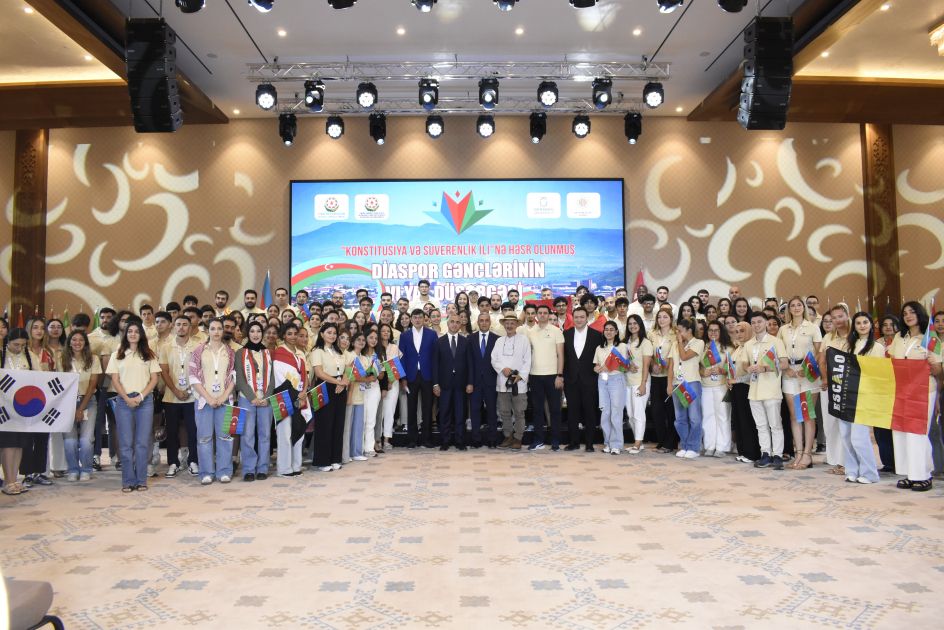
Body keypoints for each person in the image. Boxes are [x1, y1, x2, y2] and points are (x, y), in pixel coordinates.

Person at [890, 302, 941, 492]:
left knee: (917, 433)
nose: (908, 316)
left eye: (912, 312)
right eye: (905, 313)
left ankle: (923, 475)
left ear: (920, 314)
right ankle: (909, 473)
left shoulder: (930, 338)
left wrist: (933, 363)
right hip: (901, 390)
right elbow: (891, 361)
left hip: (923, 390)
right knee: (901, 431)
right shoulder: (899, 337)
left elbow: (938, 370)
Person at [107, 321, 161, 492]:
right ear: (125, 334)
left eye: (136, 331)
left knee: (142, 443)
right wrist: (126, 398)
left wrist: (141, 396)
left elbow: (154, 379)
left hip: (145, 401)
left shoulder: (149, 354)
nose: (132, 334)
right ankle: (128, 481)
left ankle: (141, 480)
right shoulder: (117, 354)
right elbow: (115, 380)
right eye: (130, 331)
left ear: (141, 335)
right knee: (125, 443)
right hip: (124, 402)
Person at [188, 319, 237, 485]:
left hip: (224, 400)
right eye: (213, 328)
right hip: (204, 401)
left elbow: (234, 377)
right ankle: (206, 472)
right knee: (204, 438)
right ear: (207, 331)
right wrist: (208, 398)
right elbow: (193, 377)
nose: (216, 332)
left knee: (225, 437)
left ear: (223, 331)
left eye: (219, 329)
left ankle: (224, 471)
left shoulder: (230, 352)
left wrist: (223, 397)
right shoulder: (199, 351)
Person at [740, 312, 788, 470]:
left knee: (775, 425)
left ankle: (778, 455)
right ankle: (765, 454)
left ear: (766, 323)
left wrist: (765, 368)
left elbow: (784, 364)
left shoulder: (776, 341)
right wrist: (748, 368)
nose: (756, 325)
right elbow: (744, 364)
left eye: (759, 321)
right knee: (761, 425)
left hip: (771, 390)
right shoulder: (748, 344)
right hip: (754, 391)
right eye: (753, 322)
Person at [779, 296, 823, 470]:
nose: (796, 308)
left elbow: (819, 352)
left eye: (799, 305)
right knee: (794, 415)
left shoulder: (812, 327)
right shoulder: (783, 329)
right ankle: (798, 453)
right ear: (788, 309)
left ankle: (807, 454)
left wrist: (807, 369)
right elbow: (780, 352)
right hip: (789, 373)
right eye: (793, 305)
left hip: (808, 374)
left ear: (804, 307)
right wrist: (786, 369)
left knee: (808, 415)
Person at [841, 312, 883, 484]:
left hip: (864, 395)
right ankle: (852, 470)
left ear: (871, 325)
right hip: (847, 394)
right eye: (858, 323)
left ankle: (870, 473)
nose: (862, 325)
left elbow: (878, 373)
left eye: (865, 322)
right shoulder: (848, 345)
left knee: (859, 437)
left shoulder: (877, 347)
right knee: (846, 435)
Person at [160, 315, 199, 477]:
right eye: (178, 324)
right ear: (173, 327)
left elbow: (200, 370)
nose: (181, 327)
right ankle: (173, 463)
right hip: (171, 397)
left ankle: (193, 461)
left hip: (192, 396)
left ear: (190, 327)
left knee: (193, 430)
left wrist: (188, 390)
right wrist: (176, 391)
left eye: (185, 324)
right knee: (172, 431)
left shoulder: (198, 346)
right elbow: (164, 371)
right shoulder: (166, 347)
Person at [234, 321, 274, 481]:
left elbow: (273, 378)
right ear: (247, 333)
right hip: (247, 399)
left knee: (265, 435)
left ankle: (263, 468)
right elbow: (239, 379)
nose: (256, 334)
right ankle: (249, 469)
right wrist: (253, 398)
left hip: (265, 400)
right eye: (252, 331)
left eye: (259, 331)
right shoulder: (240, 353)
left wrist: (267, 397)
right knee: (247, 435)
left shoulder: (268, 352)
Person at [62, 331, 102, 481]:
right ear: (69, 342)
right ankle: (73, 469)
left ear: (85, 343)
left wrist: (80, 408)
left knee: (86, 439)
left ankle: (86, 469)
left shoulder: (93, 359)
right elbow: (60, 383)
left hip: (88, 401)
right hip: (67, 403)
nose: (77, 343)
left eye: (81, 340)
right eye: (74, 340)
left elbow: (93, 385)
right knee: (70, 440)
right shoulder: (62, 359)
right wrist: (72, 407)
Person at [272, 323, 310, 476]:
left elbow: (305, 377)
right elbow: (279, 379)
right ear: (283, 336)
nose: (293, 336)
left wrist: (304, 392)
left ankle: (296, 466)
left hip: (300, 397)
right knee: (285, 434)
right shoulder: (278, 353)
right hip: (284, 398)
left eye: (295, 333)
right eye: (289, 334)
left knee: (298, 431)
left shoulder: (300, 355)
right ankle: (284, 469)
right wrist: (297, 394)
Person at [563, 307, 603, 451]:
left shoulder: (597, 335)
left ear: (587, 318)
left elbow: (601, 355)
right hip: (571, 379)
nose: (579, 319)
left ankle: (589, 443)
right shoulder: (566, 334)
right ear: (572, 318)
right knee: (572, 412)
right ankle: (573, 442)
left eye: (582, 317)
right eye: (576, 317)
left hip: (590, 379)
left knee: (590, 412)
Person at [526, 305, 565, 451]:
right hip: (535, 376)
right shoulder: (530, 332)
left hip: (553, 376)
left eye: (545, 313)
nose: (542, 315)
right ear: (536, 315)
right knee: (537, 410)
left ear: (549, 315)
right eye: (540, 313)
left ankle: (555, 440)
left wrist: (559, 375)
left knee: (555, 410)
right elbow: (527, 354)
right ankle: (538, 440)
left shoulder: (556, 331)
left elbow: (561, 355)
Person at [311, 324, 349, 472]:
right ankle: (322, 461)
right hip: (324, 387)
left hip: (340, 388)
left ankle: (335, 458)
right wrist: (338, 382)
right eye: (329, 332)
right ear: (322, 334)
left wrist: (343, 382)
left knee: (338, 424)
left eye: (334, 333)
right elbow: (319, 373)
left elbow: (347, 369)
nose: (332, 335)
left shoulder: (339, 351)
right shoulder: (317, 351)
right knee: (324, 424)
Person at [398, 309, 439, 448]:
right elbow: (401, 358)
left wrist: (435, 379)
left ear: (424, 319)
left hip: (427, 375)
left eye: (420, 317)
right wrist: (403, 378)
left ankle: (427, 439)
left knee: (427, 408)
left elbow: (435, 357)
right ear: (411, 319)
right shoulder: (404, 336)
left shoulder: (432, 334)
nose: (417, 320)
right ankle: (412, 439)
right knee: (411, 408)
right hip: (411, 376)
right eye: (415, 317)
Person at [818, 304, 851, 475]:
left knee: (846, 425)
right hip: (830, 385)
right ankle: (836, 461)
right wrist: (825, 378)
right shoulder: (828, 337)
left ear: (847, 315)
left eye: (840, 316)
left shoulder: (854, 336)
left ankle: (847, 462)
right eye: (833, 318)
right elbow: (822, 360)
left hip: (849, 386)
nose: (837, 320)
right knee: (830, 424)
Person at [1, 328, 32, 495]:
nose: (19, 348)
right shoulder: (2, 355)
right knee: (8, 443)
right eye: (16, 345)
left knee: (20, 444)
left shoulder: (30, 356)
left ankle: (14, 479)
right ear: (8, 342)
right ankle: (8, 481)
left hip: (23, 407)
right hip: (4, 407)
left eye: (23, 345)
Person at [493, 314, 531, 450]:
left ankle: (518, 438)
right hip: (502, 382)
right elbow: (494, 359)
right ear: (504, 325)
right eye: (507, 323)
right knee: (504, 412)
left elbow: (528, 360)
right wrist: (502, 369)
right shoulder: (499, 341)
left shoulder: (524, 340)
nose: (509, 326)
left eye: (512, 323)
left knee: (519, 412)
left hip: (519, 383)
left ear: (517, 325)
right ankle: (508, 436)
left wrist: (520, 376)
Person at [669, 319, 705, 459]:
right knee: (680, 418)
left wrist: (679, 342)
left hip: (691, 382)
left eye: (680, 331)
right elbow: (671, 365)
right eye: (677, 331)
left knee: (694, 417)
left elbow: (684, 357)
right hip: (677, 383)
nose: (678, 333)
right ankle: (684, 445)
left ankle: (694, 447)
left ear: (689, 330)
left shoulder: (698, 342)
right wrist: (669, 384)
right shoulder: (674, 344)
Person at [700, 320, 734, 458]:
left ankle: (722, 447)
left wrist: (722, 370)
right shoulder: (703, 347)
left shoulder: (728, 348)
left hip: (721, 385)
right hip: (705, 386)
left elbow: (732, 366)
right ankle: (709, 446)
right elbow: (696, 365)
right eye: (710, 330)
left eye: (716, 330)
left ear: (721, 332)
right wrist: (703, 372)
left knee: (723, 416)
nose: (713, 333)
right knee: (708, 416)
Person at [593, 321, 628, 454]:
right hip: (602, 380)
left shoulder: (622, 346)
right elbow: (596, 364)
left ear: (616, 332)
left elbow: (624, 365)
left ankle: (616, 444)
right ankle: (607, 442)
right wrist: (597, 368)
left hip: (616, 379)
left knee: (616, 413)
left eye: (611, 329)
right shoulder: (599, 348)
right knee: (605, 413)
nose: (608, 332)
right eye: (606, 329)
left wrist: (609, 367)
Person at [730, 322, 761, 463]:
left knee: (747, 420)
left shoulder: (752, 348)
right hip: (736, 387)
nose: (739, 334)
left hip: (747, 387)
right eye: (736, 331)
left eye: (742, 331)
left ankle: (752, 453)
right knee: (738, 420)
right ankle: (743, 451)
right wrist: (730, 380)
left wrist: (736, 380)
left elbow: (752, 371)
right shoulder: (738, 348)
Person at [468, 312, 500, 448]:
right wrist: (469, 382)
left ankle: (492, 439)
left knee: (492, 411)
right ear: (478, 322)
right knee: (475, 411)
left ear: (490, 322)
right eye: (481, 320)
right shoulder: (470, 338)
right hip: (475, 382)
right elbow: (469, 362)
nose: (484, 323)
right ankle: (476, 439)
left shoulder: (497, 339)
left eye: (487, 320)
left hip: (491, 381)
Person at [649, 309, 678, 453]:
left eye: (665, 317)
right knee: (657, 411)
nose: (661, 320)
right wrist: (653, 364)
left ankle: (670, 442)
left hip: (670, 376)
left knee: (671, 411)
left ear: (671, 319)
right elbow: (648, 353)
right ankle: (661, 440)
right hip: (655, 377)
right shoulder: (652, 334)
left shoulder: (676, 334)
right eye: (659, 317)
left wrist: (667, 363)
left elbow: (677, 354)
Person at [622, 314, 652, 454]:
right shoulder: (625, 342)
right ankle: (638, 441)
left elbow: (646, 366)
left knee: (639, 413)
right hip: (627, 383)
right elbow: (621, 363)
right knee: (630, 414)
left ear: (640, 325)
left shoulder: (645, 342)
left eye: (635, 323)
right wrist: (627, 367)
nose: (632, 326)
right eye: (630, 324)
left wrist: (643, 384)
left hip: (640, 382)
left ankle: (638, 443)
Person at [377, 323, 401, 451]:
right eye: (383, 331)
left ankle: (386, 439)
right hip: (378, 382)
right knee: (378, 412)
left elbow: (396, 366)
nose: (386, 333)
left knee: (389, 411)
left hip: (393, 382)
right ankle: (377, 439)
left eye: (388, 331)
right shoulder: (375, 347)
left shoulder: (394, 347)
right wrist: (384, 384)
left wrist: (390, 382)